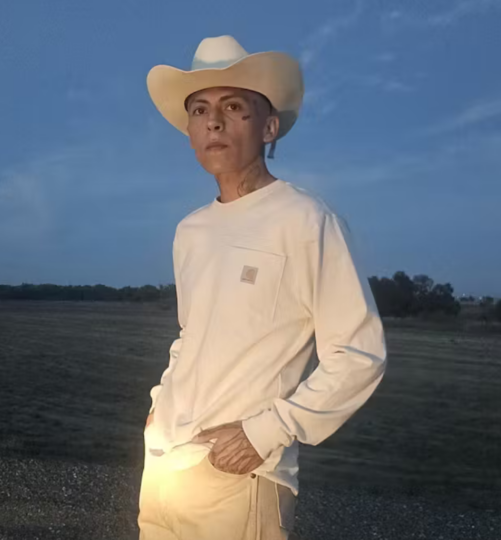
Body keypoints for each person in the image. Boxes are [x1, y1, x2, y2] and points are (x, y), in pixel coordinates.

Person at [139, 35, 387, 540]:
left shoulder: (305, 220)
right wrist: (158, 405)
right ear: (189, 131)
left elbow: (359, 354)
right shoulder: (191, 230)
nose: (214, 121)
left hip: (239, 475)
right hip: (164, 468)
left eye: (233, 107)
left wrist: (265, 432)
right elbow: (192, 334)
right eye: (200, 110)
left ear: (269, 127)